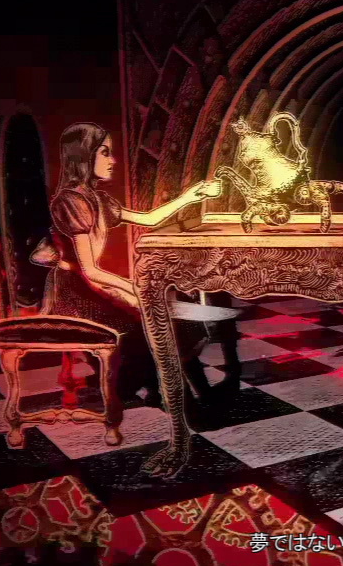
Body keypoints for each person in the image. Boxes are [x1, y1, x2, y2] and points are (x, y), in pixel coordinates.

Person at [43, 122, 224, 407]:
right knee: (152, 325)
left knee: (171, 320)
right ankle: (153, 392)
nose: (112, 160)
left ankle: (174, 392)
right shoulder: (71, 202)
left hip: (95, 285)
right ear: (83, 156)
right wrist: (133, 290)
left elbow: (149, 219)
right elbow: (89, 272)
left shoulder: (99, 199)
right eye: (104, 153)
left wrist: (190, 196)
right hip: (77, 294)